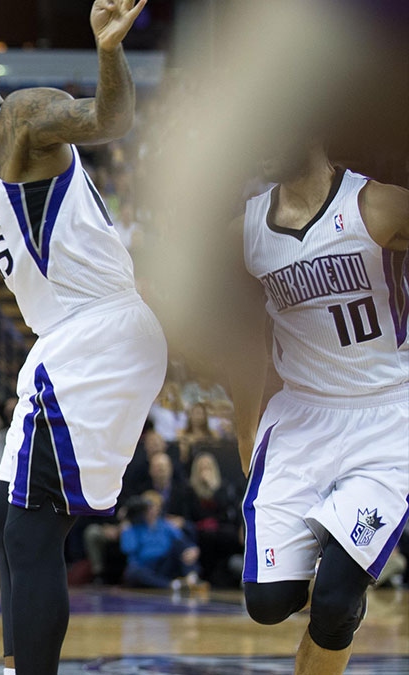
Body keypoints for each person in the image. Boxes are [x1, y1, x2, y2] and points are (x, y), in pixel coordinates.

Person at [0, 6, 165, 673]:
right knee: (4, 524)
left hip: (97, 331)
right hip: (70, 338)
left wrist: (109, 49)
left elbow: (109, 121)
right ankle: (17, 663)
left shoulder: (19, 119)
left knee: (29, 528)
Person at [226, 141, 409, 675]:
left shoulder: (377, 207)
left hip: (388, 417)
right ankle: (341, 566)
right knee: (268, 604)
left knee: (332, 604)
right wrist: (244, 432)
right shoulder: (244, 232)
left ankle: (345, 586)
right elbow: (242, 339)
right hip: (302, 418)